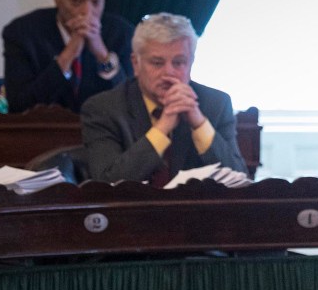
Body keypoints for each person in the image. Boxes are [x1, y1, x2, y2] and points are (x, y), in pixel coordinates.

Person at [81, 12, 245, 185]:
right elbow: (107, 184)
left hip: (195, 211)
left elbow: (238, 180)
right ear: (136, 64)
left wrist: (199, 122)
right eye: (157, 63)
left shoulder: (216, 104)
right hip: (132, 211)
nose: (169, 72)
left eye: (179, 62)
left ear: (191, 63)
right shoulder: (102, 109)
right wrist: (163, 127)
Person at [2, 0, 134, 113]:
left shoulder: (121, 33)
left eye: (96, 2)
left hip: (103, 133)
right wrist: (68, 56)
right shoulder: (22, 33)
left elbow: (131, 106)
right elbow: (19, 106)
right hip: (43, 133)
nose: (87, 12)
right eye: (76, 1)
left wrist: (103, 55)